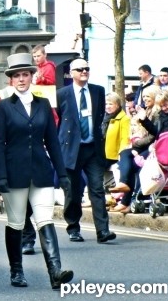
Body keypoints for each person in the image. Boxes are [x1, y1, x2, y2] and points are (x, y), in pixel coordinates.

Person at [0, 52, 73, 289]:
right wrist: (0, 177)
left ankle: (55, 272)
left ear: (31, 76)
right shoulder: (4, 107)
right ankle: (16, 271)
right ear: (11, 79)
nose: (21, 79)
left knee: (45, 219)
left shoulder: (43, 104)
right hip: (14, 172)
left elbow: (52, 142)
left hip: (41, 171)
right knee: (16, 223)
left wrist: (63, 174)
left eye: (25, 74)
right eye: (16, 75)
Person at [56, 58, 116, 243]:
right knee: (73, 191)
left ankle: (103, 231)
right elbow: (58, 119)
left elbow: (100, 118)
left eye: (87, 68)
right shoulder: (62, 94)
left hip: (93, 148)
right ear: (72, 73)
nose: (84, 71)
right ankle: (73, 228)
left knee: (97, 189)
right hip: (72, 149)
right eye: (80, 69)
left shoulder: (98, 91)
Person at [110, 86, 160, 211]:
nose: (145, 99)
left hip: (152, 147)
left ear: (154, 96)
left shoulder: (157, 112)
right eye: (143, 96)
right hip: (142, 145)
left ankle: (127, 200)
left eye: (148, 96)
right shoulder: (146, 109)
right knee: (124, 153)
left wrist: (136, 144)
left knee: (132, 164)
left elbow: (154, 135)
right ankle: (124, 190)